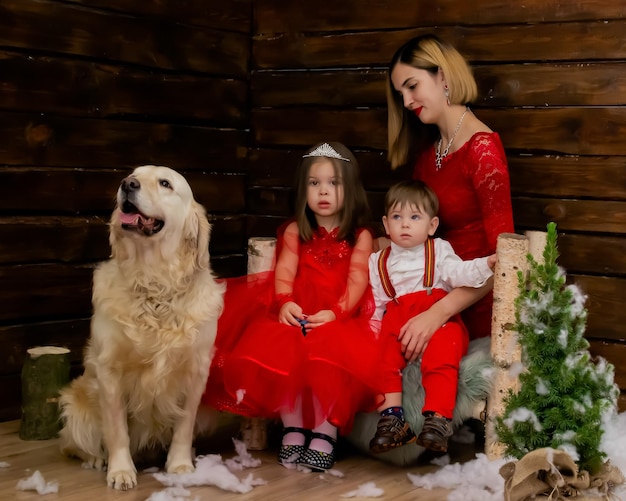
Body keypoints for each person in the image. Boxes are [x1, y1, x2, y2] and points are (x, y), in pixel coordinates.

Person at [204, 141, 383, 472]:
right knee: (282, 353)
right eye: (314, 184)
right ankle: (294, 427)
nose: (323, 192)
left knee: (326, 358)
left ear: (351, 188)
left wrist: (336, 312)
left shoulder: (359, 236)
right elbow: (284, 271)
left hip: (336, 318)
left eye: (334, 183)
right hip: (298, 312)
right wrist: (285, 302)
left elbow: (357, 279)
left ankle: (324, 432)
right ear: (304, 189)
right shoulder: (294, 231)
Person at [384, 34, 514, 358]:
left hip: (472, 309)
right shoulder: (429, 155)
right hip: (430, 293)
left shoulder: (482, 150)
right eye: (400, 93)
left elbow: (506, 261)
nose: (406, 102)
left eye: (412, 86)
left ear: (442, 76)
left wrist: (437, 313)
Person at [368, 180, 496, 454]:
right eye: (397, 217)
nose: (405, 224)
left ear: (431, 225)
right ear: (386, 224)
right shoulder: (378, 261)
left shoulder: (438, 250)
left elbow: (461, 273)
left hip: (439, 321)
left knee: (442, 351)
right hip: (396, 321)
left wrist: (485, 264)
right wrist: (374, 334)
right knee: (382, 357)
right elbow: (379, 305)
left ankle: (437, 420)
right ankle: (393, 420)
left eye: (415, 217)